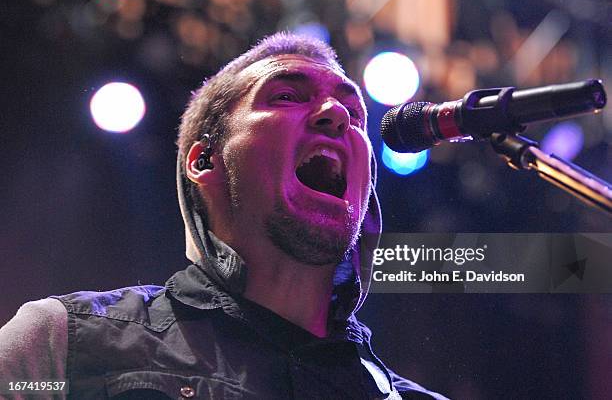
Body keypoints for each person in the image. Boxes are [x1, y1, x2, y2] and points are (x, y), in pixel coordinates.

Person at [0, 33, 448, 399]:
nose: (335, 116)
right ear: (205, 160)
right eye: (288, 95)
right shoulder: (64, 346)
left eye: (353, 113)